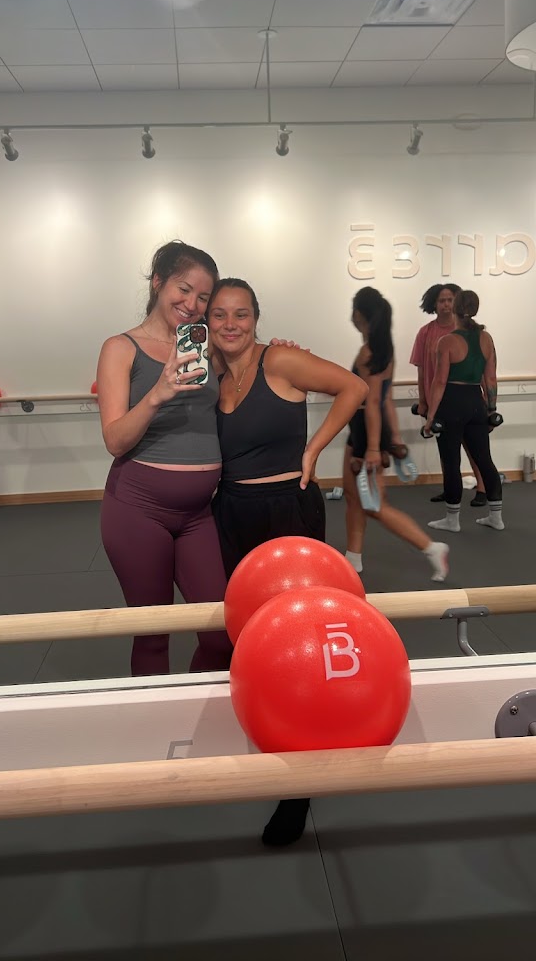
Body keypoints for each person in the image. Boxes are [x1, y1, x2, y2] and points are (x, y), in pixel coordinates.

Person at [207, 277, 367, 848]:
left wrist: (314, 448)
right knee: (247, 634)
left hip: (286, 508)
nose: (231, 324)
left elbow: (352, 388)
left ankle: (298, 786)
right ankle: (261, 731)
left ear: (256, 317)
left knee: (298, 639)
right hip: (231, 510)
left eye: (241, 314)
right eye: (219, 314)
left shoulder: (280, 360)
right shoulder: (209, 371)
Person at [97, 240, 234, 677]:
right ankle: (155, 717)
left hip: (198, 514)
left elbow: (255, 363)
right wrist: (158, 393)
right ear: (158, 282)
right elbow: (115, 440)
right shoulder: (121, 348)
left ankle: (192, 707)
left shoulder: (207, 348)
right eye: (184, 289)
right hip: (137, 510)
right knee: (153, 635)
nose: (192, 304)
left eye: (203, 297)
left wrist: (281, 347)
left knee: (221, 633)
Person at [343, 287, 449, 581]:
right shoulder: (380, 352)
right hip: (364, 432)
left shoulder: (370, 354)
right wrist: (396, 439)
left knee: (375, 505)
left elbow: (374, 402)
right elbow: (386, 400)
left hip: (367, 435)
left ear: (358, 315)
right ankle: (353, 558)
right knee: (353, 497)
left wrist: (374, 448)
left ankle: (432, 548)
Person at [424, 290, 503, 533]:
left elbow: (439, 382)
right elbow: (490, 379)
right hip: (476, 403)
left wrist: (430, 417)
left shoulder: (446, 341)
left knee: (451, 462)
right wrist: (491, 411)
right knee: (484, 460)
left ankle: (452, 520)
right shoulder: (486, 338)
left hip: (452, 404)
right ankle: (496, 517)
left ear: (455, 309)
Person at [410, 283, 487, 506]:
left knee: (472, 447)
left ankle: (482, 488)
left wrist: (485, 399)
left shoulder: (468, 332)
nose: (446, 304)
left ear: (457, 303)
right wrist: (424, 401)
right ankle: (450, 489)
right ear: (434, 304)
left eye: (450, 300)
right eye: (441, 300)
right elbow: (422, 370)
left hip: (463, 398)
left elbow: (482, 367)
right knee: (447, 449)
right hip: (437, 399)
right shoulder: (425, 333)